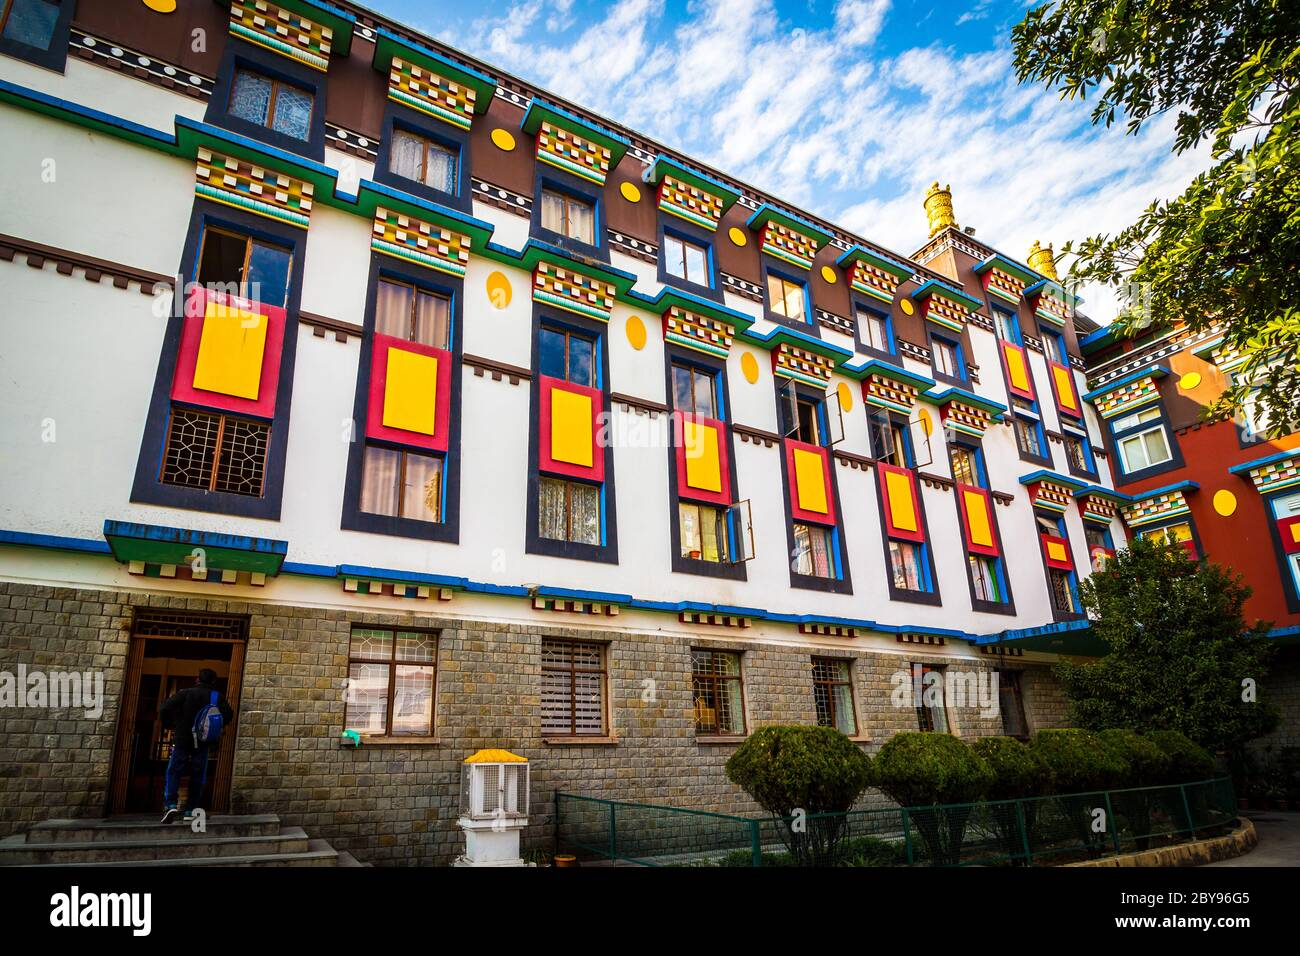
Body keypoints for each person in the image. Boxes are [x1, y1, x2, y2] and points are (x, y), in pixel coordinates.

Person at [158, 668, 234, 823]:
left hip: (182, 739)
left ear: (197, 679)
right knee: (198, 775)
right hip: (203, 741)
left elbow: (164, 708)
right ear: (213, 682)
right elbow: (228, 715)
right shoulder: (216, 697)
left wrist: (171, 724)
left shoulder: (185, 693)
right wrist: (215, 728)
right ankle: (190, 809)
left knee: (174, 771)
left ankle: (171, 804)